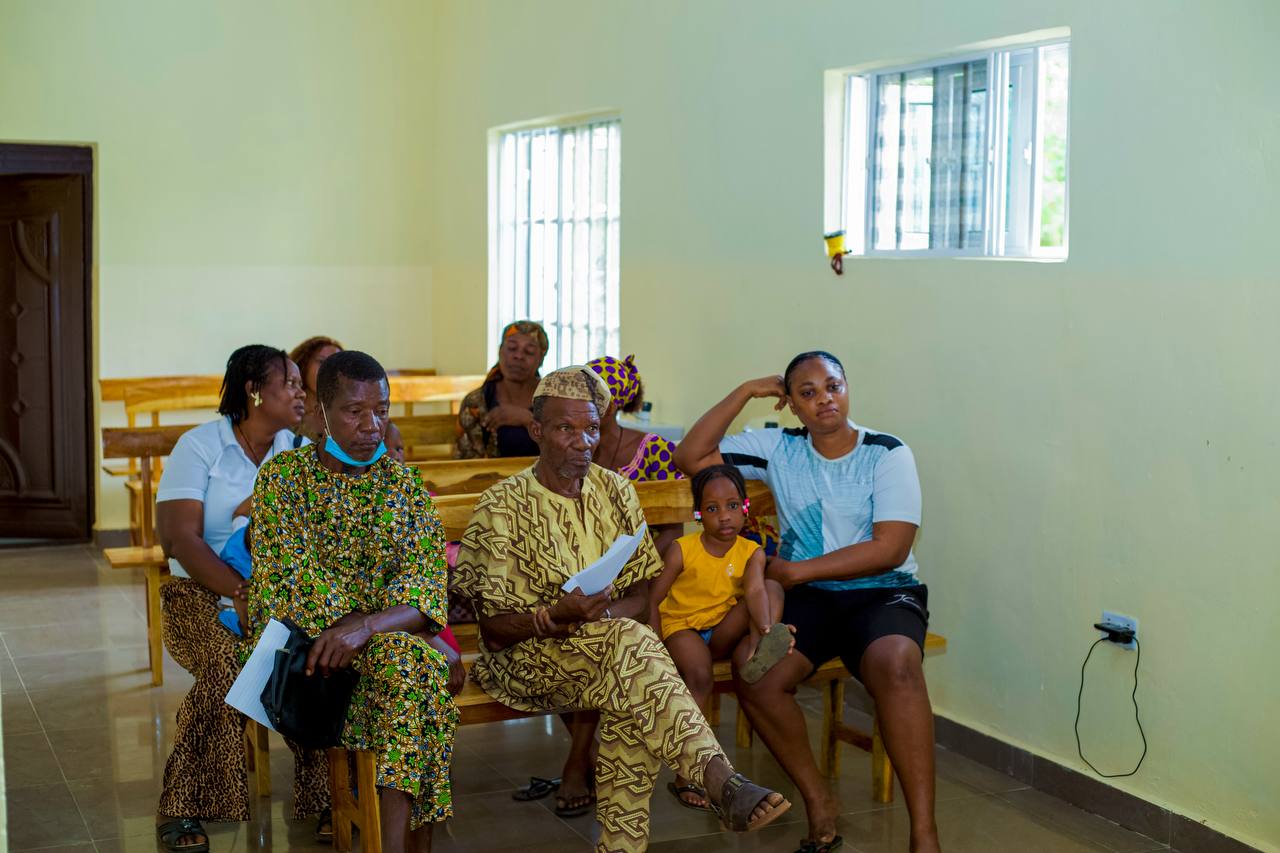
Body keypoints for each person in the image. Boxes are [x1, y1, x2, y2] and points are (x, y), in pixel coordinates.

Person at [452, 366, 791, 853]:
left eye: (590, 428)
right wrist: (555, 616)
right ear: (537, 431)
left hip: (610, 652)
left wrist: (600, 618)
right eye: (565, 428)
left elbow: (641, 594)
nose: (581, 441)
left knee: (632, 683)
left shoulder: (616, 492)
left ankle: (628, 843)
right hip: (525, 661)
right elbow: (495, 631)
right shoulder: (503, 505)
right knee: (635, 665)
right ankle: (717, 778)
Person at [674, 351, 938, 853]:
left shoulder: (887, 452)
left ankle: (924, 833)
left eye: (832, 386)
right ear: (790, 405)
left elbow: (891, 548)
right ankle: (818, 801)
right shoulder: (779, 448)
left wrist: (797, 570)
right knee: (756, 670)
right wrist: (745, 391)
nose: (824, 400)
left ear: (847, 388)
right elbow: (691, 456)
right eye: (808, 392)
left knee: (897, 662)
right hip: (812, 600)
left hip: (881, 591)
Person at [246, 351, 461, 851]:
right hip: (313, 661)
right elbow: (290, 580)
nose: (372, 426)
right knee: (420, 675)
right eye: (355, 411)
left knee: (410, 675)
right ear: (321, 410)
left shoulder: (404, 487)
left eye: (382, 411)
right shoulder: (285, 480)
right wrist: (383, 626)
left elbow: (426, 585)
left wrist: (366, 627)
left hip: (383, 652)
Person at [153, 345, 330, 852]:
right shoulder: (201, 445)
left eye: (302, 383)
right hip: (198, 593)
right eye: (291, 382)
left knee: (308, 658)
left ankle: (324, 795)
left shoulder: (294, 452)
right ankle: (183, 804)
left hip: (277, 591)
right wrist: (239, 591)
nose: (301, 391)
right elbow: (179, 539)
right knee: (228, 663)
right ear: (255, 392)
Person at [649, 463, 792, 810]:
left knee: (770, 587)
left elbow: (755, 591)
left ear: (744, 508)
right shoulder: (683, 549)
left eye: (732, 506)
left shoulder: (750, 551)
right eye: (712, 509)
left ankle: (762, 644)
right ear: (699, 514)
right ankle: (688, 772)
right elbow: (654, 598)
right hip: (682, 626)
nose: (724, 517)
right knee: (700, 677)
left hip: (721, 628)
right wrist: (652, 643)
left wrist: (765, 625)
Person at [454, 320, 547, 459]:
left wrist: (527, 420)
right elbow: (465, 464)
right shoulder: (476, 402)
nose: (519, 356)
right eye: (512, 348)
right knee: (412, 478)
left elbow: (566, 451)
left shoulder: (553, 399)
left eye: (529, 351)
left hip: (544, 480)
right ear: (499, 351)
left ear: (541, 359)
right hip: (490, 479)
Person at [290, 335, 343, 444]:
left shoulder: (348, 414)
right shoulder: (286, 414)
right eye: (322, 361)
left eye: (337, 364)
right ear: (303, 364)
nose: (329, 369)